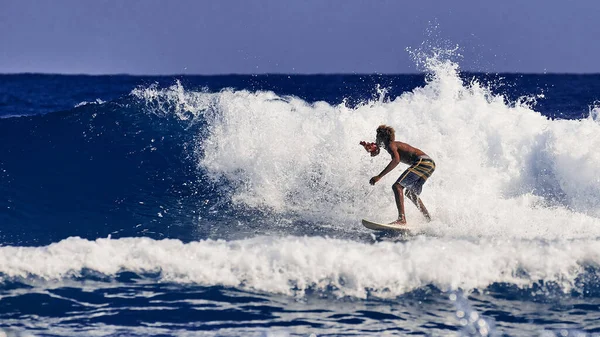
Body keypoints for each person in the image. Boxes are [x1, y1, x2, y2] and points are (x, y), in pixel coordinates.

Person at [363, 125, 435, 225]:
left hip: (422, 161)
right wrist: (374, 149)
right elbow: (378, 150)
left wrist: (379, 176)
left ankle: (402, 219)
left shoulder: (392, 145)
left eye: (377, 137)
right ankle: (429, 220)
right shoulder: (391, 145)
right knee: (411, 194)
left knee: (397, 186)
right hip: (430, 164)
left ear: (382, 138)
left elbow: (396, 160)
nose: (375, 139)